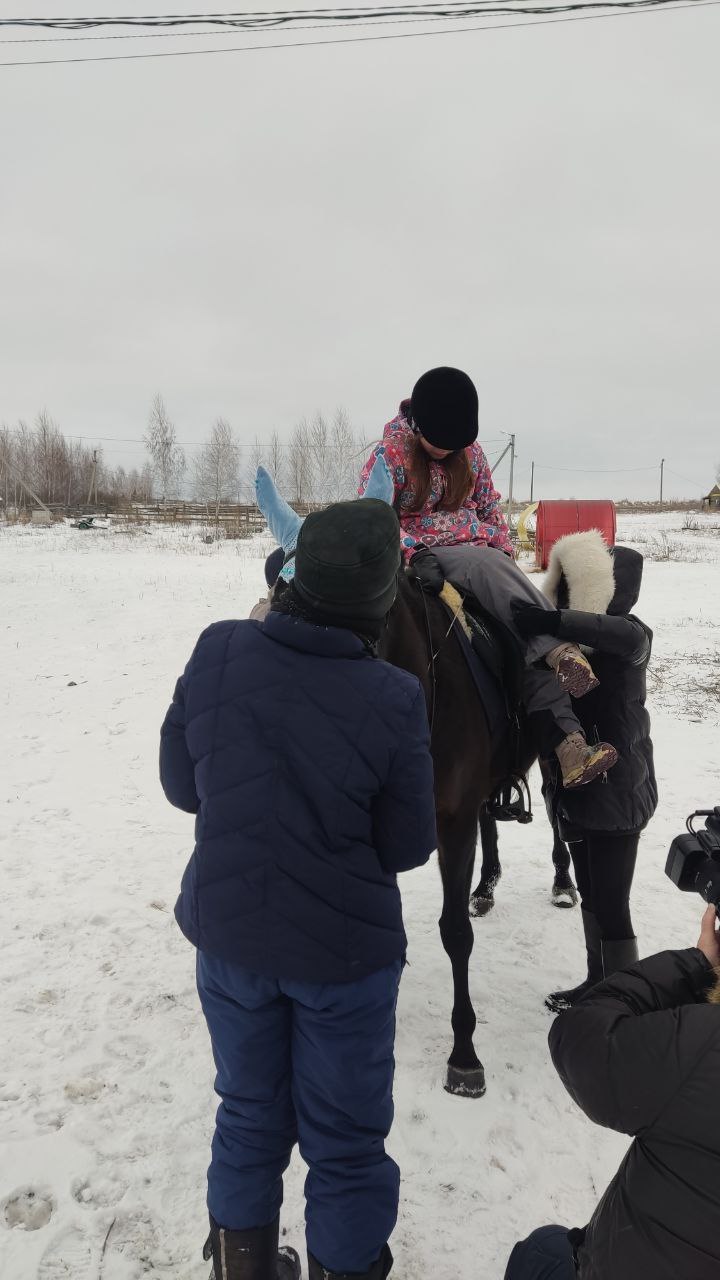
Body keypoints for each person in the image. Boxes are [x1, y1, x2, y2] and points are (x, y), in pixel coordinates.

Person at [159, 499, 437, 1280]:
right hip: (344, 964)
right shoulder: (392, 697)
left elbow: (182, 785)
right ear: (380, 600)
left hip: (232, 943)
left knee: (247, 1116)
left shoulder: (217, 649)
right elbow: (409, 845)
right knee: (345, 1145)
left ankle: (241, 1268)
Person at [358, 366, 617, 790]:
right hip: (422, 558)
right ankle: (560, 648)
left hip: (480, 556)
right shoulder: (389, 456)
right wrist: (413, 552)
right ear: (418, 424)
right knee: (493, 574)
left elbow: (489, 510)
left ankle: (567, 742)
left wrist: (501, 550)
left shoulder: (471, 454)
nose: (446, 451)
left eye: (454, 445)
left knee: (519, 633)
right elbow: (374, 515)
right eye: (437, 443)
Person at [504, 903, 720, 1280]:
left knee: (538, 1253)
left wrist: (696, 965)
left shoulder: (703, 1043)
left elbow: (584, 1040)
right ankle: (593, 970)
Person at [513, 530, 657, 1006]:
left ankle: (624, 1005)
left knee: (612, 904)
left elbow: (610, 633)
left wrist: (553, 617)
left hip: (618, 789)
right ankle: (599, 984)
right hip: (575, 790)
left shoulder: (632, 636)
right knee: (592, 896)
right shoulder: (562, 650)